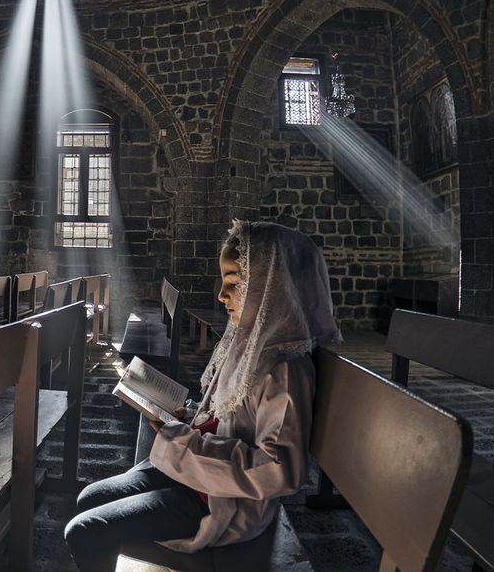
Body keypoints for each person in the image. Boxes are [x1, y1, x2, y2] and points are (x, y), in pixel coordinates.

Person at [64, 220, 341, 570]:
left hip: (223, 501)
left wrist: (182, 439)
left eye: (234, 284)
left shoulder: (284, 369)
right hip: (198, 475)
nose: (221, 296)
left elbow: (279, 469)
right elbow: (228, 419)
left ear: (274, 288)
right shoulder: (248, 344)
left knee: (85, 531)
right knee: (89, 497)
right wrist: (186, 417)